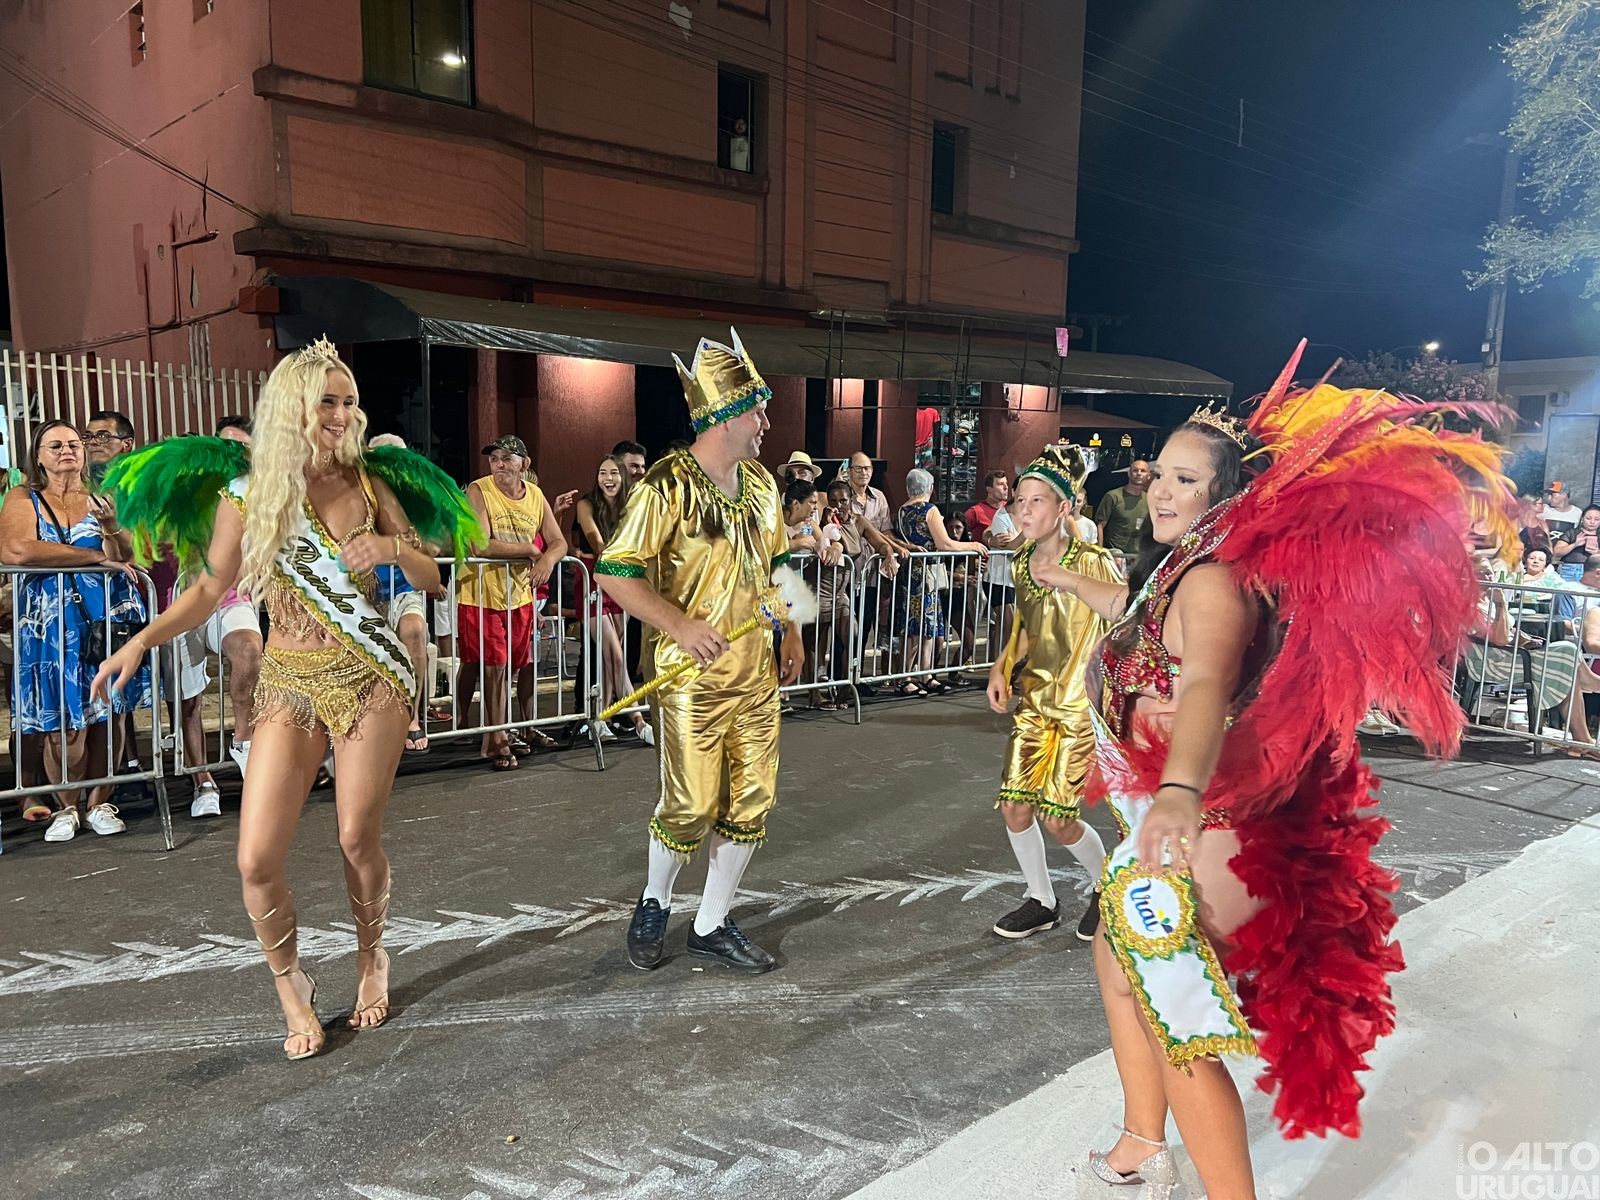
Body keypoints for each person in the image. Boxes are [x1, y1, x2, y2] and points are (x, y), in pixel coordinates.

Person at [1037, 355, 1512, 1196]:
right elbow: (1146, 628)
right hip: (1182, 814)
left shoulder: (1215, 581)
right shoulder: (1179, 570)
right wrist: (1070, 579)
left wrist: (1178, 791)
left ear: (1227, 497)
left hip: (1208, 825)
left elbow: (1205, 684)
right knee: (1117, 967)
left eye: (1187, 480)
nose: (1161, 491)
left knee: (1173, 1013)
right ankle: (1142, 1142)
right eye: (1160, 474)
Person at [93, 338, 475, 1060]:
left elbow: (432, 575)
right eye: (327, 401)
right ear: (292, 406)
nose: (341, 414)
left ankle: (371, 958)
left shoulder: (370, 482)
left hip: (369, 674)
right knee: (255, 857)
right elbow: (208, 590)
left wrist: (392, 552)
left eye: (349, 401)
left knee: (356, 836)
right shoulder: (253, 493)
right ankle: (290, 982)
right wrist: (143, 640)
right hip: (290, 681)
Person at [597, 329, 805, 974]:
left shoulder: (764, 487)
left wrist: (792, 627)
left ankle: (711, 922)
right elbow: (614, 570)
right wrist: (679, 625)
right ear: (720, 415)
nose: (766, 421)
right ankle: (655, 900)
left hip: (755, 676)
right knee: (688, 805)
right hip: (692, 676)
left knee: (751, 802)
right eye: (757, 409)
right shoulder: (666, 485)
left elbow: (780, 566)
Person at [985, 447, 1120, 941]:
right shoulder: (1021, 562)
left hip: (1080, 709)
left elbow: (1124, 621)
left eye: (1037, 500)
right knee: (1015, 807)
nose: (1024, 510)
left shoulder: (1094, 562)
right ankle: (1041, 898)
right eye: (1020, 500)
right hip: (1034, 704)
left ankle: (1108, 888)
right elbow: (1025, 626)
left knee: (1059, 819)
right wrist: (1002, 667)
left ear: (1064, 508)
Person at [0, 420, 150, 839]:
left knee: (110, 711)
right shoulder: (23, 497)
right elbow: (16, 549)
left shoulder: (107, 495)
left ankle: (101, 801)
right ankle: (67, 803)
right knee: (62, 715)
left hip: (108, 617)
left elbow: (130, 555)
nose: (67, 450)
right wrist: (93, 559)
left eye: (73, 444)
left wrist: (110, 528)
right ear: (39, 456)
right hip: (49, 623)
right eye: (55, 445)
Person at [455, 435, 567, 770]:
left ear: (524, 464)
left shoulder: (534, 494)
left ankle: (506, 732)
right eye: (494, 459)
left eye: (507, 458)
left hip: (519, 595)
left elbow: (558, 541)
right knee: (494, 666)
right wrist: (533, 551)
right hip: (482, 594)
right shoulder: (479, 490)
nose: (500, 464)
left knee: (514, 667)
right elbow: (480, 544)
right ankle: (495, 739)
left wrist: (548, 560)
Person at [571, 455, 652, 744]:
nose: (608, 478)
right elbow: (596, 540)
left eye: (614, 473)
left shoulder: (631, 506)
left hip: (621, 581)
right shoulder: (586, 504)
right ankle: (639, 721)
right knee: (616, 655)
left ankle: (600, 719)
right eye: (603, 472)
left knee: (609, 659)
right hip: (594, 579)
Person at [367, 433, 435, 755]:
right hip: (364, 590)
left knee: (415, 631)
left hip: (404, 587)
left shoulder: (415, 495)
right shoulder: (360, 492)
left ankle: (413, 716)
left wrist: (418, 546)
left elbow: (438, 545)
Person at [895, 468, 987, 696]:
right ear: (930, 487)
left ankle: (921, 675)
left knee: (921, 626)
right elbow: (944, 542)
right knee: (920, 627)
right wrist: (972, 545)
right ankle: (909, 676)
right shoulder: (930, 510)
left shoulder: (901, 510)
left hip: (911, 573)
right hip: (926, 573)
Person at [1094, 458, 1151, 556]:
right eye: (1135, 470)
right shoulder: (1113, 496)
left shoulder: (1150, 500)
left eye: (1143, 471)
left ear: (1149, 476)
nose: (1139, 473)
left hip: (1138, 556)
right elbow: (1100, 525)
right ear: (1129, 474)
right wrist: (1100, 552)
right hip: (1115, 555)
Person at [1553, 503, 1600, 583]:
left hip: (1592, 572)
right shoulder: (1572, 533)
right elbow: (1556, 552)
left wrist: (1596, 552)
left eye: (1596, 519)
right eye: (1588, 518)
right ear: (1582, 519)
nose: (1592, 522)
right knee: (1565, 593)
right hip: (1568, 570)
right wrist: (1574, 544)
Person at [964, 470, 1011, 547]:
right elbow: (959, 530)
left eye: (1006, 484)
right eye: (1000, 484)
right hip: (982, 557)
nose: (1006, 487)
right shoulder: (976, 511)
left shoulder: (1010, 508)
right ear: (989, 489)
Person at [1542, 482, 1581, 548]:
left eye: (1552, 494)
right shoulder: (1544, 509)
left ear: (1563, 494)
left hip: (1565, 553)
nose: (1549, 498)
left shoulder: (1578, 512)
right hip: (1544, 551)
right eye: (1548, 494)